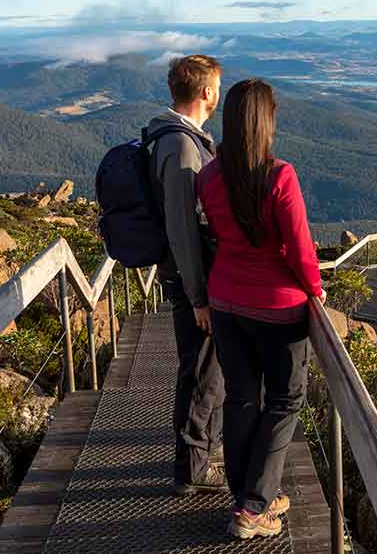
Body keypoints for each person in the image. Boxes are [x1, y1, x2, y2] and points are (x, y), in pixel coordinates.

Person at [196, 79, 325, 540]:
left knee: (241, 399)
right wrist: (315, 288)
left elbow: (217, 234)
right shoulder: (280, 176)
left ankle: (250, 497)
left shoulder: (209, 176)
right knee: (285, 400)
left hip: (227, 304)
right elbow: (299, 248)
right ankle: (253, 506)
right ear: (265, 122)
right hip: (278, 310)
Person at [148, 55, 225, 495]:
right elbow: (182, 226)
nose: (218, 94)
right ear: (206, 92)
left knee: (206, 371)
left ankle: (201, 455)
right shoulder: (180, 148)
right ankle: (192, 469)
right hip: (192, 283)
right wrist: (199, 296)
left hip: (191, 280)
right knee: (200, 374)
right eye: (217, 87)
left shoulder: (178, 139)